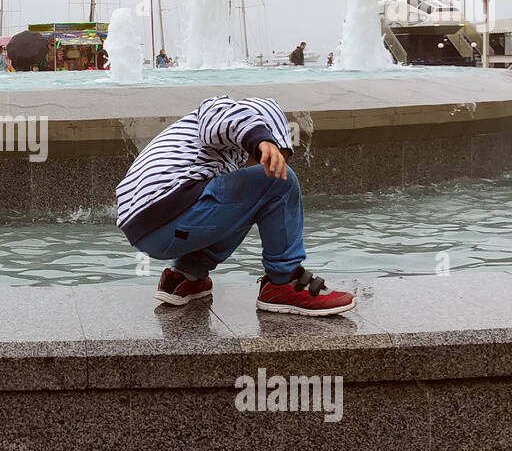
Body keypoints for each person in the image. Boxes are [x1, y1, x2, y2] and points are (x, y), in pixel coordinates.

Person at [115, 97, 356, 315]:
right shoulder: (219, 109)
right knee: (281, 180)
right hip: (170, 208)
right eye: (270, 156)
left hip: (149, 229)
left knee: (244, 201)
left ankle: (186, 275)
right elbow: (226, 115)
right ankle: (284, 282)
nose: (264, 163)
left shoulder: (211, 154)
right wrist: (261, 140)